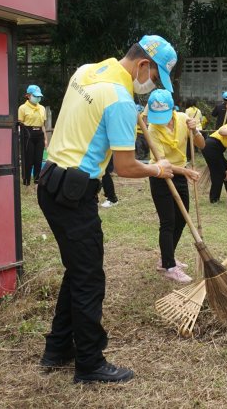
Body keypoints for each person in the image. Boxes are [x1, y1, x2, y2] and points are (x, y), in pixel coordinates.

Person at [37, 35, 177, 383]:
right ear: (143, 65)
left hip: (50, 182)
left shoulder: (86, 71)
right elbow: (125, 167)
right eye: (155, 78)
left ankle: (57, 348)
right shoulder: (119, 99)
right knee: (89, 279)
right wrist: (157, 169)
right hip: (73, 194)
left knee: (77, 270)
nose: (151, 85)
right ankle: (89, 363)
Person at [144, 89, 204, 283]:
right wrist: (186, 172)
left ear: (172, 109)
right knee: (168, 221)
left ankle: (166, 257)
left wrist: (194, 130)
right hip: (161, 175)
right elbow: (162, 162)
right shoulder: (152, 128)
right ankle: (169, 266)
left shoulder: (184, 118)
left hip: (179, 174)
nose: (160, 120)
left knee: (182, 217)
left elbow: (201, 144)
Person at [18, 85, 48, 186]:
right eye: (35, 96)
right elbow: (20, 124)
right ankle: (26, 182)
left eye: (39, 96)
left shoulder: (42, 108)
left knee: (38, 159)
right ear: (28, 95)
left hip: (39, 134)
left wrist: (45, 139)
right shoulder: (22, 108)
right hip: (28, 135)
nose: (38, 98)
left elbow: (43, 125)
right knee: (28, 160)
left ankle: (37, 182)